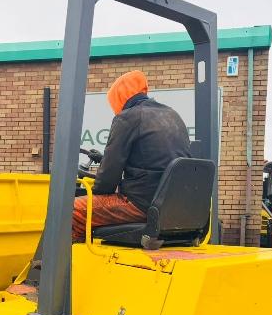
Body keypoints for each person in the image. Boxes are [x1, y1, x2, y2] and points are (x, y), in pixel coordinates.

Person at [72, 70, 191, 241]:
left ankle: (67, 266)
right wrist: (102, 159)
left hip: (141, 204)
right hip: (173, 205)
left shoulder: (127, 117)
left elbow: (107, 180)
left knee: (72, 210)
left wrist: (94, 193)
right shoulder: (172, 115)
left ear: (118, 98)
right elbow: (152, 158)